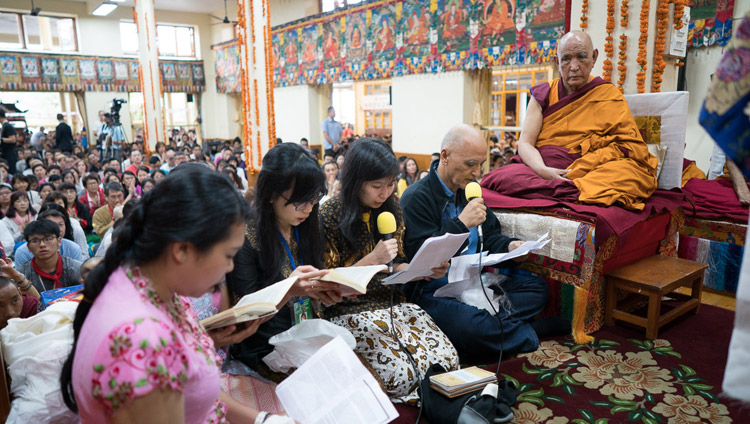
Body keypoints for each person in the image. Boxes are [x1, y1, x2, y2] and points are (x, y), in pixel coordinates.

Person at [60, 165, 286, 423]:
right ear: (182, 250)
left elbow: (192, 387)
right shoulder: (140, 339)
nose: (230, 267)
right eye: (228, 255)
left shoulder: (153, 290)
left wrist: (263, 420)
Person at [400, 125, 567, 363]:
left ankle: (485, 330)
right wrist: (460, 223)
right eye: (470, 164)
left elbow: (488, 235)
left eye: (481, 164)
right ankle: (526, 332)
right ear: (445, 156)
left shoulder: (468, 191)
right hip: (434, 292)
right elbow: (422, 256)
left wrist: (510, 247)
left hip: (471, 280)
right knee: (469, 325)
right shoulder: (416, 198)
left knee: (537, 290)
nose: (477, 172)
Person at [319, 138, 459, 402]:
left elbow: (397, 265)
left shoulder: (392, 208)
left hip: (393, 303)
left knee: (447, 361)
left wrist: (425, 269)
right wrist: (372, 259)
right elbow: (328, 284)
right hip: (347, 310)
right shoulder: (329, 214)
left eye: (391, 184)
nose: (385, 193)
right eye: (376, 186)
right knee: (401, 375)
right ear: (356, 181)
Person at [510, 30, 657, 210]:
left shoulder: (609, 95)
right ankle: (567, 189)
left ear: (594, 57)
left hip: (589, 169)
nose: (574, 66)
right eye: (566, 59)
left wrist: (587, 164)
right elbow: (525, 143)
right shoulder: (543, 94)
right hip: (544, 166)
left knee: (630, 176)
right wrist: (544, 171)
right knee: (504, 177)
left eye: (581, 57)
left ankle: (566, 188)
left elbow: (630, 147)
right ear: (557, 62)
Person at [227, 143, 342, 370]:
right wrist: (289, 290)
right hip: (265, 347)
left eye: (314, 198)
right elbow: (244, 317)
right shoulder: (245, 236)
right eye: (300, 200)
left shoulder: (309, 224)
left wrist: (324, 291)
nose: (309, 208)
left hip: (307, 333)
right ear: (271, 194)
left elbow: (314, 279)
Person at [16, 220, 81, 293]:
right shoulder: (21, 274)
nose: (42, 244)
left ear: (59, 241)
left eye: (48, 239)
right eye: (35, 241)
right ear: (28, 247)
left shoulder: (76, 268)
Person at [14, 207, 84, 267]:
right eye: (52, 224)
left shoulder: (73, 248)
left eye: (61, 224)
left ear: (59, 241)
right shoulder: (22, 252)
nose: (42, 245)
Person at [0, 110, 18, 175]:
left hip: (9, 154)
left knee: (11, 172)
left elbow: (13, 139)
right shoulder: (5, 126)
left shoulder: (8, 126)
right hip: (6, 153)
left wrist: (1, 139)